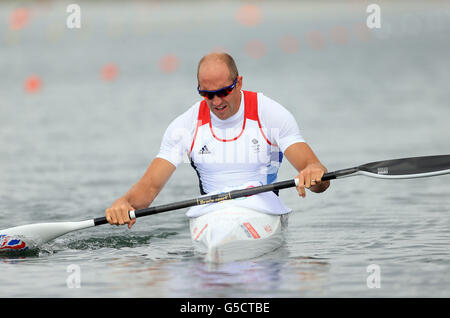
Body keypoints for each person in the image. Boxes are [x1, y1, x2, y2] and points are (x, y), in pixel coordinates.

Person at [105, 52, 330, 229]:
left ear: (239, 82)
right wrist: (125, 202)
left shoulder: (270, 114)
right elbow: (150, 187)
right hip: (209, 217)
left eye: (224, 91)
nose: (216, 101)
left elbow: (318, 177)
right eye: (207, 94)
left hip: (263, 213)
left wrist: (313, 174)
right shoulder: (185, 126)